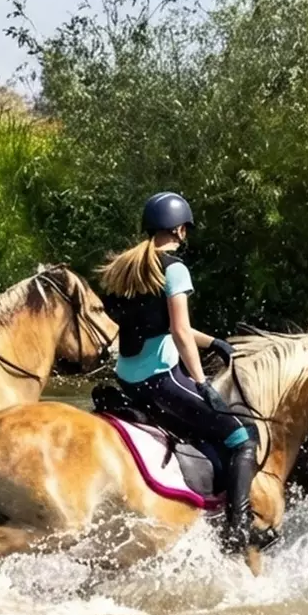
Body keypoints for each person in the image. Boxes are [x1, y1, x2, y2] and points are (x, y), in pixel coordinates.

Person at [97, 192, 256, 553]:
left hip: (127, 379)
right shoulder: (174, 268)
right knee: (241, 436)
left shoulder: (129, 267)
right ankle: (238, 530)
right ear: (181, 229)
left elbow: (163, 326)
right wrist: (202, 384)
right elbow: (180, 331)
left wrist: (214, 341)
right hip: (161, 380)